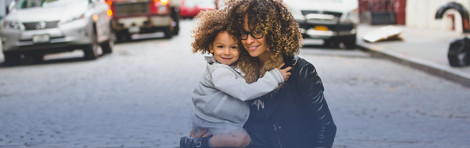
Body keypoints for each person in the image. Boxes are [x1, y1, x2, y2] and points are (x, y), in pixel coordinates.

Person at [192, 0, 337, 147]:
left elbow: (324, 127)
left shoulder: (300, 71)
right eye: (244, 33)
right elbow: (216, 108)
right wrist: (205, 132)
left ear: (273, 32)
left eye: (257, 32)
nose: (249, 40)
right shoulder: (235, 68)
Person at [181, 10, 292, 148]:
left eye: (233, 47)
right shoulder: (218, 71)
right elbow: (244, 91)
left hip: (219, 120)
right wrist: (275, 77)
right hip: (214, 122)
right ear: (211, 47)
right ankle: (197, 144)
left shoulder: (229, 67)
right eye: (221, 47)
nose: (227, 52)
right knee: (241, 140)